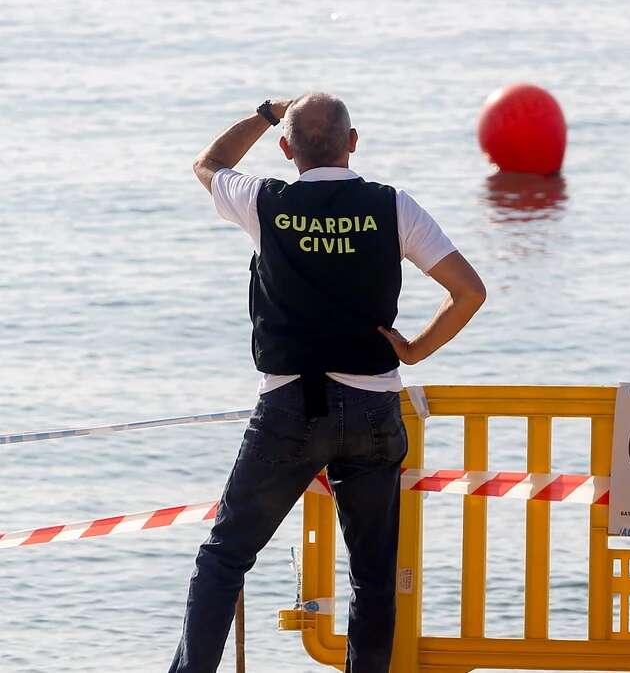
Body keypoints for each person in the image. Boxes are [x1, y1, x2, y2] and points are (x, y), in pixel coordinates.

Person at [170, 93, 486, 672]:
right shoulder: (392, 207)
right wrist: (414, 351)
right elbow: (469, 292)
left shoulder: (265, 201)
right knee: (372, 579)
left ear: (287, 149)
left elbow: (208, 164)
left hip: (291, 409)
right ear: (353, 142)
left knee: (224, 557)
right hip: (373, 410)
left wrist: (265, 114)